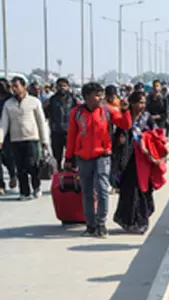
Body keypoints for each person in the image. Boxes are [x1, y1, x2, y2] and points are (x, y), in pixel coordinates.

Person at [64, 82, 132, 238]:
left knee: (102, 190)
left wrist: (126, 110)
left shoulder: (107, 111)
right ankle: (90, 225)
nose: (101, 97)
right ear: (87, 96)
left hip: (102, 155)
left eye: (101, 94)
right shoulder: (77, 113)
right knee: (87, 192)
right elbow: (72, 136)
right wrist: (68, 157)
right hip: (83, 158)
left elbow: (125, 124)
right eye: (97, 94)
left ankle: (101, 223)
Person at [113, 91, 157, 234]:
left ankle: (142, 221)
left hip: (143, 160)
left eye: (144, 102)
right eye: (139, 102)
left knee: (144, 191)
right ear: (132, 103)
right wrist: (120, 140)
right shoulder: (124, 118)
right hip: (128, 160)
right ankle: (129, 221)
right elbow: (117, 136)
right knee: (129, 192)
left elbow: (155, 134)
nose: (142, 105)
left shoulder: (147, 118)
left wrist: (146, 139)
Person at [0, 76, 49, 200]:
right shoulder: (8, 104)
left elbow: (41, 122)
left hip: (32, 139)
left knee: (32, 165)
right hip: (15, 140)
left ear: (24, 86)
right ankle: (24, 192)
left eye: (16, 86)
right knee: (20, 167)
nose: (14, 89)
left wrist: (44, 141)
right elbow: (3, 124)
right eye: (12, 87)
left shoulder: (34, 101)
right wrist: (0, 139)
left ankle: (36, 187)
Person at [43, 77, 80, 170]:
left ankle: (72, 175)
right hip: (56, 132)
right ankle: (58, 173)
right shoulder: (51, 100)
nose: (62, 88)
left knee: (72, 157)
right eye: (60, 86)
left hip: (70, 132)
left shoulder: (74, 100)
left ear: (68, 87)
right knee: (57, 156)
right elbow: (45, 114)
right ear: (56, 87)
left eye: (64, 86)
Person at [0, 79, 16, 194]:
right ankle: (1, 185)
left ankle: (12, 174)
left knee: (8, 158)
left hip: (9, 132)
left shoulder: (12, 99)